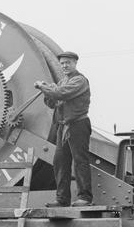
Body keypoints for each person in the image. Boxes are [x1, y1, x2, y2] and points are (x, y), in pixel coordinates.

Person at [34, 51, 93, 207]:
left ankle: (85, 198)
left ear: (75, 63)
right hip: (63, 127)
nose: (65, 65)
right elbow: (52, 103)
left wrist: (44, 87)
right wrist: (47, 91)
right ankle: (62, 199)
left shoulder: (79, 81)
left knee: (80, 161)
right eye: (62, 63)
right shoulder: (62, 82)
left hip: (78, 125)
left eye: (68, 62)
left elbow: (61, 94)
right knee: (60, 162)